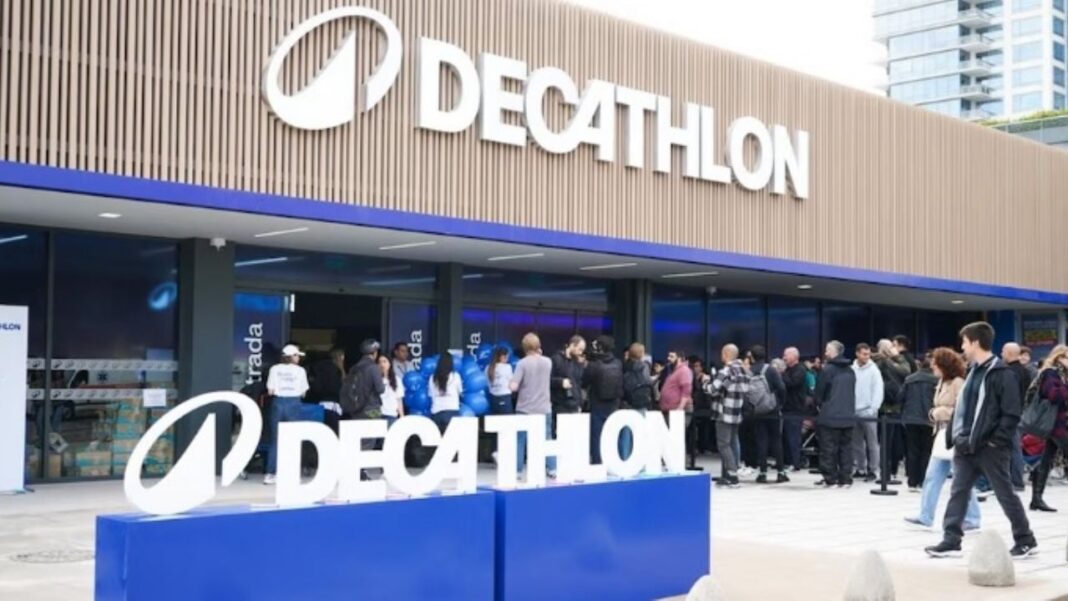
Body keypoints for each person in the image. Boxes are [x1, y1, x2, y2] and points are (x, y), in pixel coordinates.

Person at [925, 322, 1037, 560]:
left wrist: (996, 441)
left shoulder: (1002, 374)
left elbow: (1011, 413)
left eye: (965, 342)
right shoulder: (973, 372)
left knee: (1005, 493)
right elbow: (963, 408)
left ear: (975, 342)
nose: (962, 347)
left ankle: (1025, 539)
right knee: (958, 491)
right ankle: (951, 540)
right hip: (965, 445)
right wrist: (956, 436)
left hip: (990, 448)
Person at [904, 347, 980, 531]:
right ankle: (925, 516)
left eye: (935, 364)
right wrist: (934, 413)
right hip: (941, 434)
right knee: (932, 477)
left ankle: (972, 519)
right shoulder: (942, 382)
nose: (932, 367)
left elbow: (964, 410)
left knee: (962, 479)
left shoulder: (958, 383)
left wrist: (939, 412)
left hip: (955, 435)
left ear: (944, 365)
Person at [702, 344, 749, 488]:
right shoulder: (744, 371)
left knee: (723, 445)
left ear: (726, 354)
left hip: (724, 412)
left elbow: (712, 389)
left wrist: (705, 381)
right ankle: (728, 475)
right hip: (736, 412)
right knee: (733, 443)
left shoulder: (726, 371)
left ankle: (732, 475)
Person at [1029, 345, 1068, 512]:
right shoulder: (1050, 373)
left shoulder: (1063, 374)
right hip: (1055, 424)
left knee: (1046, 459)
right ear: (1059, 358)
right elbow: (1053, 395)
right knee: (1048, 459)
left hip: (1060, 423)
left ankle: (1036, 499)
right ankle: (1036, 497)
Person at [264, 344, 309, 485]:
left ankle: (270, 474)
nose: (299, 358)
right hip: (293, 402)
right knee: (293, 439)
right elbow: (303, 392)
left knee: (275, 440)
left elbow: (270, 390)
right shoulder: (300, 371)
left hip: (278, 402)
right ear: (292, 356)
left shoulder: (274, 369)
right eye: (297, 356)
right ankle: (292, 473)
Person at [511, 333, 555, 477]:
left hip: (525, 408)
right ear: (538, 346)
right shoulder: (548, 362)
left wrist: (510, 383)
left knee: (520, 439)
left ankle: (518, 470)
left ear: (524, 347)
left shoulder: (522, 364)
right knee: (547, 437)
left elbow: (514, 387)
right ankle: (552, 468)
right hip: (544, 407)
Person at [814, 340, 856, 488]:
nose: (825, 353)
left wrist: (819, 405)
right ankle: (846, 479)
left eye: (828, 350)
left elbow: (819, 393)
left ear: (834, 352)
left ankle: (830, 478)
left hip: (830, 415)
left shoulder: (827, 370)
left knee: (828, 449)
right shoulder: (850, 370)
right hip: (848, 415)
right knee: (846, 449)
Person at [748, 345, 789, 484]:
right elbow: (782, 388)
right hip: (772, 409)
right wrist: (780, 403)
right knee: (776, 440)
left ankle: (762, 473)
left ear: (752, 357)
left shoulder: (749, 371)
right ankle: (780, 472)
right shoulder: (770, 370)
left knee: (761, 441)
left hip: (757, 410)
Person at [583, 335, 625, 464]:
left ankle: (598, 461)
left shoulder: (593, 365)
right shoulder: (618, 363)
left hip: (598, 402)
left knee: (597, 435)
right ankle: (619, 460)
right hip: (614, 403)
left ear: (600, 347)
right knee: (614, 432)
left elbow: (583, 382)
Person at [874, 338, 911, 482]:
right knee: (893, 441)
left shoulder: (876, 363)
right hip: (895, 405)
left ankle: (886, 472)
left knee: (885, 441)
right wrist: (897, 356)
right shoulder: (893, 363)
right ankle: (891, 471)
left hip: (882, 406)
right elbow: (906, 371)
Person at [899, 353, 938, 491]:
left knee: (912, 450)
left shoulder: (909, 379)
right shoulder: (936, 380)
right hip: (929, 418)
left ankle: (912, 481)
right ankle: (923, 481)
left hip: (911, 419)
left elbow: (900, 397)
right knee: (926, 451)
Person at [852, 343, 884, 483]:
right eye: (864, 354)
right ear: (857, 353)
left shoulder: (874, 370)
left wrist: (873, 408)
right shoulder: (852, 369)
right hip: (854, 411)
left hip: (869, 411)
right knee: (856, 442)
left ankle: (873, 470)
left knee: (872, 442)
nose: (867, 356)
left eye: (868, 354)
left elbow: (878, 390)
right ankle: (860, 468)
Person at [1001, 342, 1031, 491]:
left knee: (1013, 448)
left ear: (1008, 353)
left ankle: (1016, 482)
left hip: (1010, 415)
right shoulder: (1025, 371)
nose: (1001, 354)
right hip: (1021, 413)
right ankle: (1015, 481)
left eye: (1003, 351)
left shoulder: (1009, 372)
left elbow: (1008, 396)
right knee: (1015, 447)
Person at [621, 342, 655, 460]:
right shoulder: (644, 366)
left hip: (627, 402)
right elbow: (647, 382)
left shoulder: (624, 366)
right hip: (641, 402)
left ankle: (625, 457)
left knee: (626, 432)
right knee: (640, 432)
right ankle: (638, 460)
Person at [781, 347, 808, 471]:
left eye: (786, 355)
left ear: (794, 356)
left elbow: (792, 383)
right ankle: (788, 461)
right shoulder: (788, 370)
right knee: (786, 436)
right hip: (786, 408)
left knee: (794, 437)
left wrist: (782, 373)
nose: (784, 358)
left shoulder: (800, 369)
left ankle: (795, 462)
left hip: (795, 409)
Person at [308, 347, 345, 432]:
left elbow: (316, 386)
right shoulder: (337, 369)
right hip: (334, 404)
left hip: (320, 403)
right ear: (341, 357)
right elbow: (339, 386)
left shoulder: (318, 368)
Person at [550, 335, 586, 420]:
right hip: (559, 405)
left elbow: (578, 383)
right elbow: (548, 380)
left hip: (574, 405)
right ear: (572, 345)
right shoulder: (556, 359)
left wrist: (580, 404)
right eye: (580, 349)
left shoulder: (578, 363)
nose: (580, 353)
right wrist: (560, 382)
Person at [428, 352, 463, 432]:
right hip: (452, 411)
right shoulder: (456, 376)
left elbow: (430, 395)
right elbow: (460, 392)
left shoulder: (432, 378)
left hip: (436, 412)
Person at [690, 358, 715, 455]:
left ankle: (704, 447)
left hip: (704, 405)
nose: (696, 368)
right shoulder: (691, 377)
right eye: (694, 366)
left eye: (698, 366)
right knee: (692, 428)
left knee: (704, 428)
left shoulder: (706, 378)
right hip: (694, 405)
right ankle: (693, 448)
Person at [486, 346, 515, 415]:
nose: (507, 359)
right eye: (507, 357)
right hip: (505, 397)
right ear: (502, 357)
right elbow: (511, 383)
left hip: (493, 398)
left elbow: (487, 383)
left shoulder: (488, 367)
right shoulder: (507, 367)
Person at [378, 354, 405, 425]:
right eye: (380, 362)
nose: (382, 364)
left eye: (384, 361)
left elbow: (399, 400)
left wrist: (402, 416)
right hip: (379, 414)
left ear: (389, 364)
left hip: (391, 414)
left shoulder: (397, 380)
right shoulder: (376, 380)